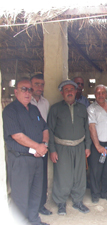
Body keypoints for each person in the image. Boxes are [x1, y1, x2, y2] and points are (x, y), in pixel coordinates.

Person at [3, 77, 49, 225]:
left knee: (36, 193)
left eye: (30, 89)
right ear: (16, 92)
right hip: (20, 159)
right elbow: (17, 135)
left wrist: (43, 145)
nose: (27, 93)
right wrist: (37, 147)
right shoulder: (10, 110)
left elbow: (45, 128)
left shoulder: (34, 109)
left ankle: (34, 220)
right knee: (21, 196)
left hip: (37, 158)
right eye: (24, 89)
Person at [48, 80, 91, 215]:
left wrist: (87, 146)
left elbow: (87, 128)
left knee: (79, 175)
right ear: (62, 93)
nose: (70, 92)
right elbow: (49, 130)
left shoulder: (82, 108)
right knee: (63, 175)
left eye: (72, 89)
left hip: (79, 146)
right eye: (67, 90)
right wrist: (52, 150)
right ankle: (61, 203)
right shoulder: (55, 109)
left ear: (76, 91)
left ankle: (78, 201)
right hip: (62, 147)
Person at [87, 85, 107, 203]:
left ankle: (106, 192)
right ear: (95, 95)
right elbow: (92, 127)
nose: (101, 95)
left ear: (106, 94)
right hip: (97, 144)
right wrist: (98, 145)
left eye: (103, 92)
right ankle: (95, 194)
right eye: (98, 93)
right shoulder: (91, 109)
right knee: (96, 170)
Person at [30, 74, 52, 216]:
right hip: (30, 147)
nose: (39, 87)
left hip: (43, 146)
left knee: (42, 178)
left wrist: (44, 145)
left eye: (42, 84)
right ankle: (30, 207)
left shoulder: (45, 103)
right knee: (30, 178)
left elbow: (47, 126)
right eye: (36, 84)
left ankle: (41, 205)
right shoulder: (27, 102)